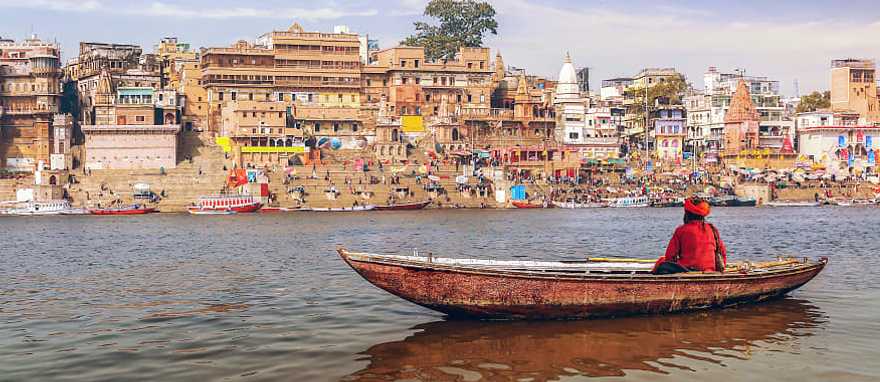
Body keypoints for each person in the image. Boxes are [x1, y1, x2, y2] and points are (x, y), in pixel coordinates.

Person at [652, 198, 727, 274]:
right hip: (710, 271)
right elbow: (722, 253)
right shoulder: (712, 229)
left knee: (662, 265)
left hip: (688, 270)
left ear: (687, 214)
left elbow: (670, 256)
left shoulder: (681, 230)